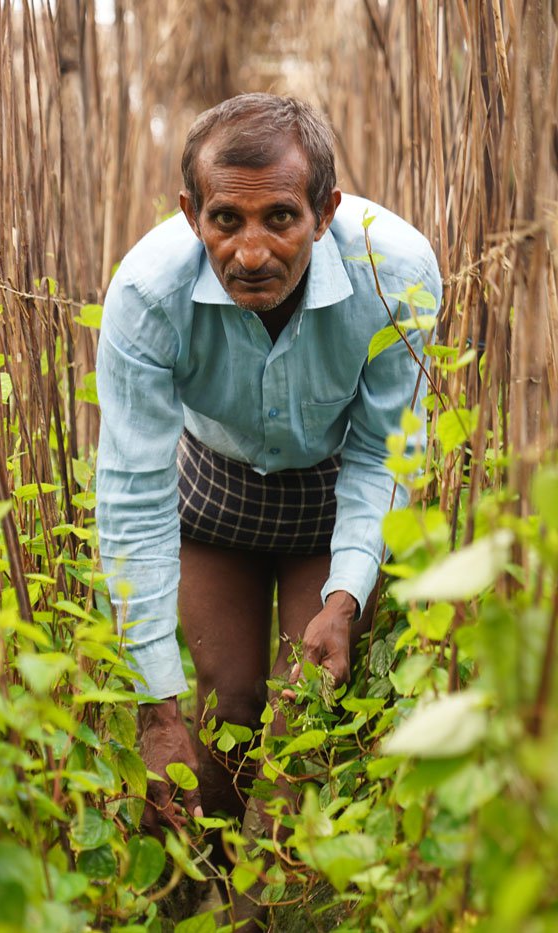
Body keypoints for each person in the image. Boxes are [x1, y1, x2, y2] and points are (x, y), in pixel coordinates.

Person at [95, 93, 441, 834]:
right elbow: (133, 491)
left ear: (325, 210)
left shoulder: (396, 273)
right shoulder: (147, 294)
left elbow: (385, 450)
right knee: (228, 706)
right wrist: (157, 713)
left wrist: (345, 597)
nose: (251, 253)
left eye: (280, 217)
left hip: (332, 490)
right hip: (214, 492)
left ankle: (264, 906)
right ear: (192, 214)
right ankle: (209, 891)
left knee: (302, 714)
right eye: (226, 220)